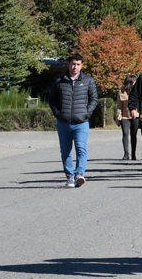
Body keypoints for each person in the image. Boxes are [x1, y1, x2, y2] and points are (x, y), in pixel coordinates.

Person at [48, 53, 98, 188]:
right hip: (63, 123)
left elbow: (94, 99)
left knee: (81, 148)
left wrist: (86, 113)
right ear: (68, 64)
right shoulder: (59, 81)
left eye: (77, 64)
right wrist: (58, 114)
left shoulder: (88, 80)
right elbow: (52, 99)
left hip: (81, 122)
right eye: (72, 64)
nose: (75, 67)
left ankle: (79, 174)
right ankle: (70, 176)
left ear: (82, 66)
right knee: (65, 151)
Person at [117, 76, 139, 160]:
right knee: (125, 134)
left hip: (135, 116)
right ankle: (126, 154)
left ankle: (133, 153)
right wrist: (119, 116)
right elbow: (119, 105)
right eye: (134, 81)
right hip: (124, 117)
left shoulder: (138, 91)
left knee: (134, 135)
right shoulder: (121, 92)